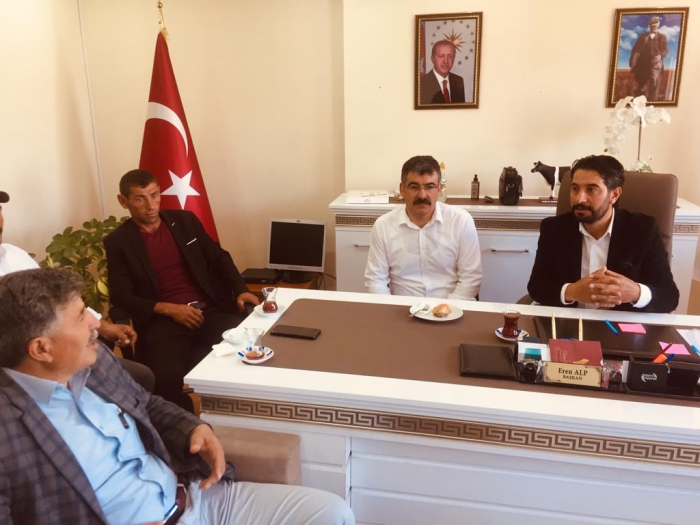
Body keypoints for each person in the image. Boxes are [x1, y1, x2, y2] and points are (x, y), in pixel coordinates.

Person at [0, 268, 355, 524]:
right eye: (81, 317)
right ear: (41, 349)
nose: (97, 322)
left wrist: (193, 428)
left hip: (198, 497)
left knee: (332, 513)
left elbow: (146, 403)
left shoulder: (95, 359)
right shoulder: (7, 431)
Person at [104, 170, 259, 411]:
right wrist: (170, 309)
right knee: (164, 379)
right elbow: (121, 295)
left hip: (210, 310)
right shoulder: (118, 241)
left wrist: (241, 289)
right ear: (123, 201)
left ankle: (240, 414)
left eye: (154, 195)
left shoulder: (185, 221)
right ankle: (187, 426)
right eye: (140, 199)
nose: (150, 206)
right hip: (164, 321)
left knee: (252, 348)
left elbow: (219, 257)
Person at [0, 190, 153, 391]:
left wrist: (105, 327)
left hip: (60, 348)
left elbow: (57, 302)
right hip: (28, 366)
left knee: (141, 377)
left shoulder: (14, 255)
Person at [527, 154, 679, 313]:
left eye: (591, 189)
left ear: (614, 195)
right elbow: (537, 287)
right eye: (575, 188)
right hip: (569, 322)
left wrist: (636, 293)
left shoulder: (642, 229)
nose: (580, 199)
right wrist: (572, 291)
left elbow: (669, 297)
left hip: (620, 324)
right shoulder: (554, 229)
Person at [364, 155, 482, 300]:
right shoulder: (383, 226)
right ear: (402, 189)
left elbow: (471, 278)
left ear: (439, 189)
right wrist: (390, 310)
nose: (422, 195)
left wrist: (447, 309)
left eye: (430, 186)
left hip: (451, 308)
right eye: (414, 187)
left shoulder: (461, 221)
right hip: (402, 308)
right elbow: (375, 280)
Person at [629, 16, 669, 101]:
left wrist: (660, 56)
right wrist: (632, 61)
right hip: (643, 65)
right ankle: (639, 103)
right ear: (649, 25)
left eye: (656, 25)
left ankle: (651, 102)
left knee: (653, 83)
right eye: (652, 25)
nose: (654, 27)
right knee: (641, 85)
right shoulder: (642, 37)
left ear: (658, 25)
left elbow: (665, 50)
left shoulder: (662, 37)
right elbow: (635, 50)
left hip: (656, 64)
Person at [420, 40, 466, 104]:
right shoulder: (421, 84)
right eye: (441, 56)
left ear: (454, 58)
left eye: (450, 56)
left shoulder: (458, 81)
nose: (446, 61)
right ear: (432, 59)